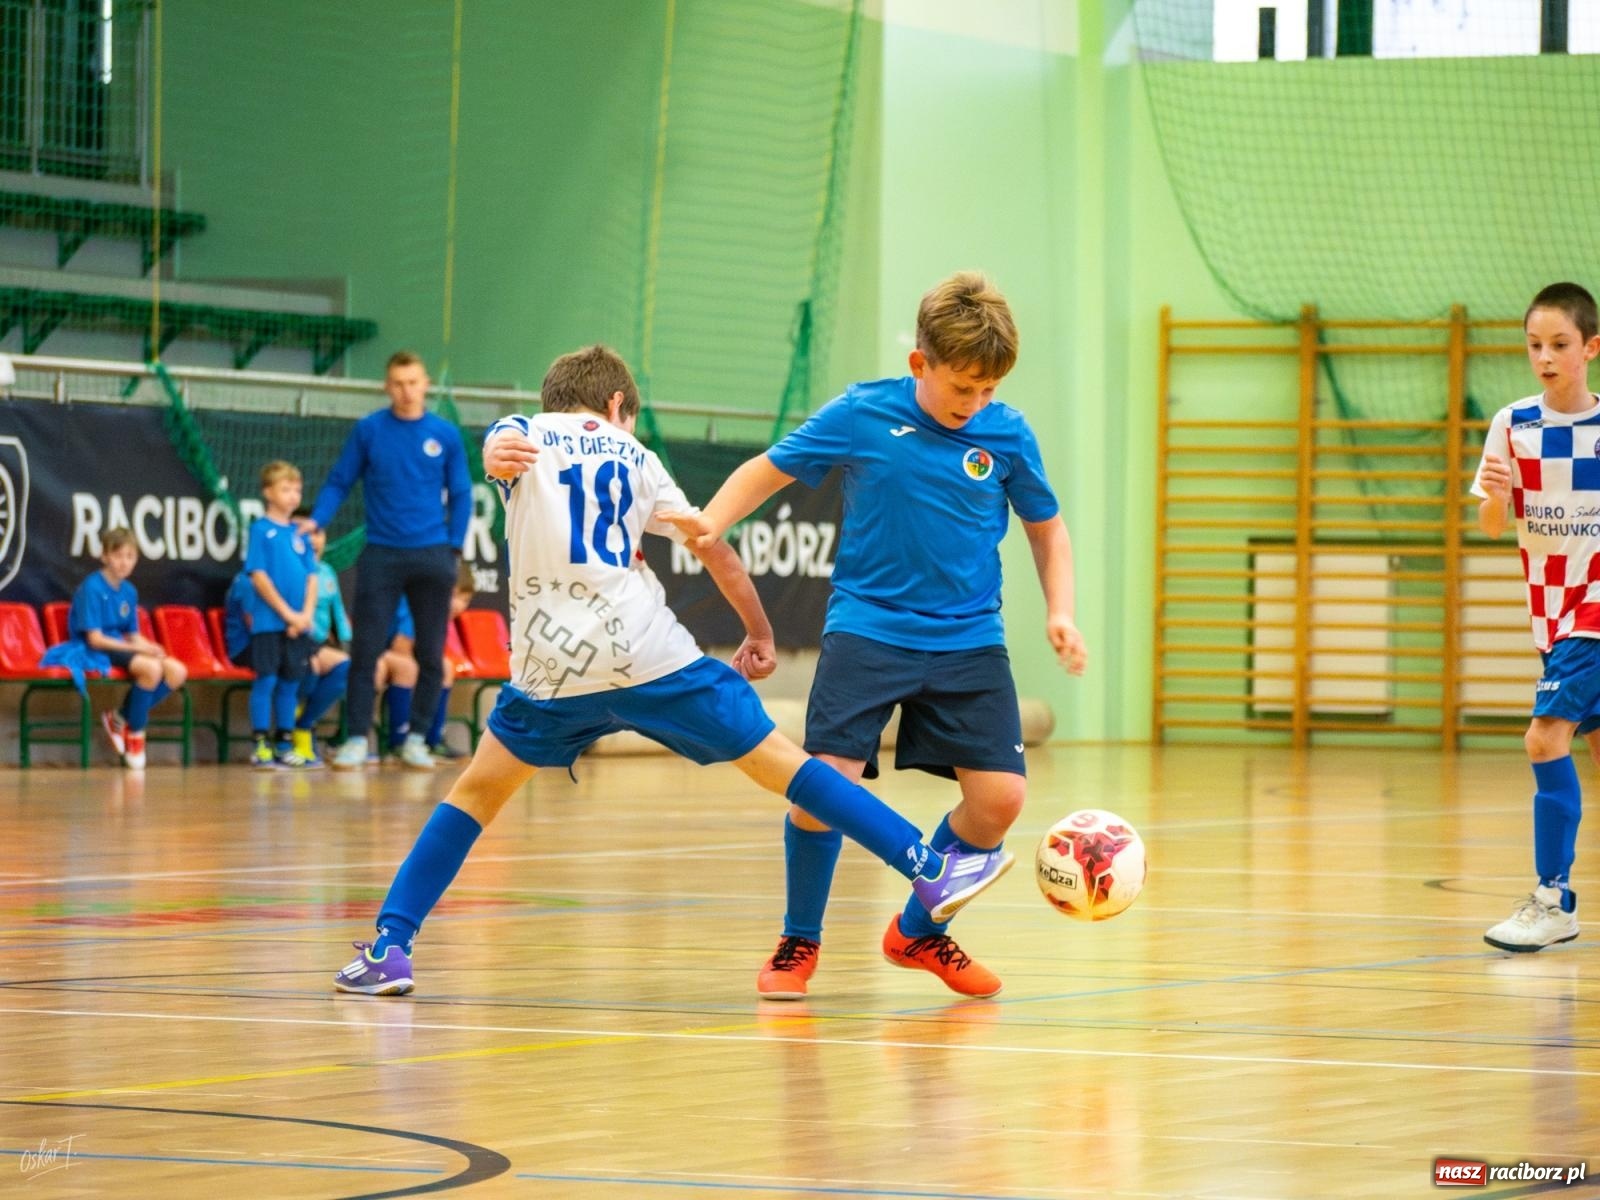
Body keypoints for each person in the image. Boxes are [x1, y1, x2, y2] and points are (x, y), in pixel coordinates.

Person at [333, 344, 1013, 996]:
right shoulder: (636, 454)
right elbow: (711, 547)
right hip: (650, 653)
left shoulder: (525, 429)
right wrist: (758, 631)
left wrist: (496, 451)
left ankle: (391, 946)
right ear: (619, 402)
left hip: (551, 668)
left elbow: (501, 446)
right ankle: (926, 865)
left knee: (475, 796)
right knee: (786, 767)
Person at [664, 271, 1086, 1000]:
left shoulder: (1008, 433)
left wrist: (1061, 611)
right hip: (870, 630)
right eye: (963, 388)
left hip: (969, 639)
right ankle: (800, 940)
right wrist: (714, 518)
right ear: (920, 363)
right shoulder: (862, 413)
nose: (975, 403)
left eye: (988, 390)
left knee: (1001, 800)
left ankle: (919, 933)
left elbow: (1047, 531)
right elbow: (769, 471)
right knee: (821, 784)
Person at [1470, 280, 1600, 953]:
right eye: (1534, 345)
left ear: (1591, 348)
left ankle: (1553, 898)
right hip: (1551, 611)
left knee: (1544, 738)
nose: (1545, 357)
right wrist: (1493, 495)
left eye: (1559, 345)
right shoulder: (1513, 423)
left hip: (1594, 607)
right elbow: (1496, 525)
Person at [302, 351, 472, 772]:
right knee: (366, 650)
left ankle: (416, 740)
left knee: (431, 654)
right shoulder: (369, 430)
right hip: (382, 553)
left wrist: (452, 546)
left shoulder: (445, 435)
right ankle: (357, 739)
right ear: (386, 386)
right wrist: (318, 521)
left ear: (425, 383)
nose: (406, 390)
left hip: (433, 557)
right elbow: (340, 480)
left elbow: (462, 492)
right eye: (397, 383)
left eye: (413, 382)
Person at [41, 527, 188, 769]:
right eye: (118, 555)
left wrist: (150, 647)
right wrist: (137, 651)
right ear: (105, 556)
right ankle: (136, 736)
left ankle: (119, 717)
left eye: (130, 556)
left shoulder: (129, 591)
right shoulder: (92, 587)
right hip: (94, 648)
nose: (124, 562)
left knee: (177, 671)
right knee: (150, 670)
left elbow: (133, 635)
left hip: (119, 646)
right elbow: (96, 639)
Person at [242, 462, 320, 769]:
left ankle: (285, 742)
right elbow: (259, 576)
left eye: (297, 489)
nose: (293, 495)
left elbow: (312, 576)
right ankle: (260, 743)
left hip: (298, 624)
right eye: (285, 489)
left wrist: (305, 615)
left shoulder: (300, 533)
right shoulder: (261, 530)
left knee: (291, 683)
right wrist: (288, 614)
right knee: (267, 680)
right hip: (270, 623)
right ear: (268, 492)